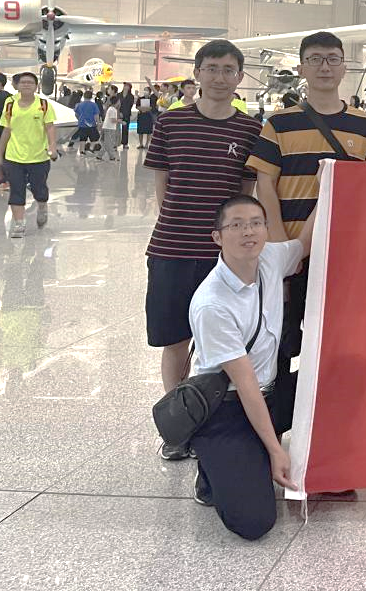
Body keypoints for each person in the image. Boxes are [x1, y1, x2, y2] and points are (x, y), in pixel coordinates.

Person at [248, 31, 366, 421]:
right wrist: (281, 248)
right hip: (290, 253)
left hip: (342, 254)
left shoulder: (363, 125)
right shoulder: (279, 123)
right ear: (303, 68)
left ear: (344, 67)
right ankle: (275, 431)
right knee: (281, 343)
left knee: (337, 343)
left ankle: (329, 426)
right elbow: (265, 184)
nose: (325, 67)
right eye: (316, 59)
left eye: (333, 59)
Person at [144, 40, 264, 460]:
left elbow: (245, 194)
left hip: (225, 258)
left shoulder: (249, 130)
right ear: (197, 74)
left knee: (226, 344)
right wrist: (178, 221)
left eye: (228, 69)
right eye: (211, 68)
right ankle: (178, 427)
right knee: (175, 339)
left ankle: (218, 425)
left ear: (240, 76)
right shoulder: (170, 123)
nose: (219, 77)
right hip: (173, 248)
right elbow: (162, 183)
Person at [189, 195, 315, 540]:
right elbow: (245, 386)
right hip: (227, 409)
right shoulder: (212, 304)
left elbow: (304, 244)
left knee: (342, 377)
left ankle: (248, 454)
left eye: (256, 223)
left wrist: (329, 182)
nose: (248, 231)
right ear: (217, 237)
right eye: (236, 225)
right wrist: (276, 451)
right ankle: (212, 466)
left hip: (269, 393)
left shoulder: (270, 258)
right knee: (254, 522)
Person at [0, 72, 58, 238]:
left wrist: (52, 146)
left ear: (36, 86)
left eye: (30, 82)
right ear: (17, 85)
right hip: (14, 156)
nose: (26, 85)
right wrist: (0, 154)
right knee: (16, 190)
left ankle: (42, 206)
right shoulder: (10, 104)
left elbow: (50, 127)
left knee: (39, 188)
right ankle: (19, 224)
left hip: (38, 157)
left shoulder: (43, 105)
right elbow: (6, 129)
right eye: (23, 82)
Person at [71, 90, 101, 155]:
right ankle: (91, 148)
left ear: (84, 96)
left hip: (82, 124)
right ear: (91, 97)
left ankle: (82, 151)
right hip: (92, 124)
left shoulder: (79, 104)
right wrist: (98, 123)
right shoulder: (94, 105)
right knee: (94, 138)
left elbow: (76, 114)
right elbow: (96, 115)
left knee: (83, 139)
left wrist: (79, 119)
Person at [99, 92, 120, 162]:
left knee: (107, 143)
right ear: (117, 102)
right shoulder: (113, 110)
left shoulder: (110, 109)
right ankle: (110, 156)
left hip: (107, 127)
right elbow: (113, 120)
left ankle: (103, 156)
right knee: (109, 143)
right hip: (110, 128)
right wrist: (120, 121)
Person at [118, 81, 135, 150]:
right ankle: (116, 143)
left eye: (127, 86)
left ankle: (125, 143)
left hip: (126, 114)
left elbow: (130, 106)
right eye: (124, 85)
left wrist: (124, 113)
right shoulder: (118, 95)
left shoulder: (131, 96)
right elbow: (116, 104)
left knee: (125, 129)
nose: (125, 87)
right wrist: (119, 112)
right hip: (118, 113)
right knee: (116, 128)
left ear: (129, 88)